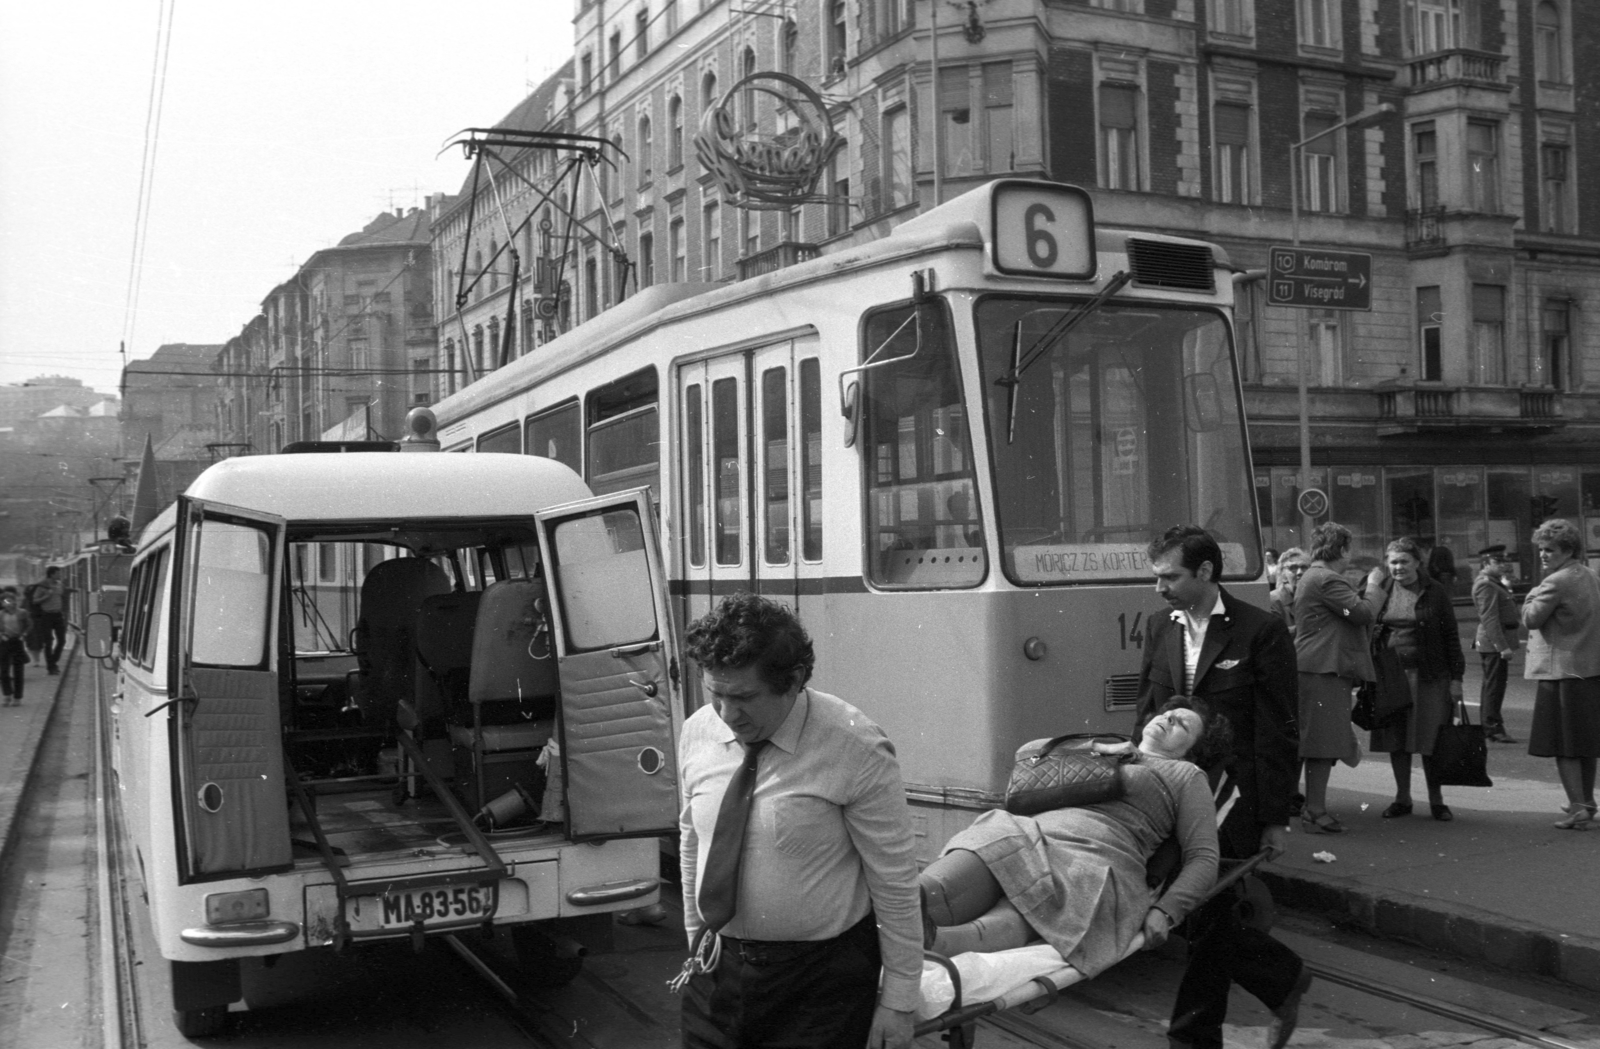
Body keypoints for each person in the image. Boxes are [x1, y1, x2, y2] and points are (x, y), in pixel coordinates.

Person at [675, 592, 920, 1049]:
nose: (728, 716)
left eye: (744, 697)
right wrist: (697, 941)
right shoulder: (697, 731)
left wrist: (899, 1000)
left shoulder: (855, 746)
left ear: (794, 681)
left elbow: (895, 880)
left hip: (819, 988)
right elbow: (693, 842)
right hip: (717, 972)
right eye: (716, 695)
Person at [1134, 526, 1310, 1049]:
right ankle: (1281, 976)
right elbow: (1146, 712)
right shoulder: (1158, 626)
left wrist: (1276, 816)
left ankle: (1194, 1036)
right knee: (1200, 908)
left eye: (1170, 576)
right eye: (1157, 577)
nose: (1160, 587)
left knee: (1207, 912)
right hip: (1171, 793)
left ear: (1206, 572)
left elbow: (1279, 729)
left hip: (1234, 797)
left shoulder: (1260, 630)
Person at [918, 697, 1230, 972]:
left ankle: (932, 944)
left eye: (1183, 726)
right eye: (1168, 713)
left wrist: (1166, 911)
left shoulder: (1187, 776)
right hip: (1033, 831)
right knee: (959, 867)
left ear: (1192, 753)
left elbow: (1204, 857)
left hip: (1098, 855)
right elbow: (1027, 753)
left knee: (1044, 899)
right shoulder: (1111, 747)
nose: (1169, 718)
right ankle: (900, 908)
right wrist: (1100, 747)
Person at [1364, 538, 1467, 821]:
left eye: (1404, 562)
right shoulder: (1380, 589)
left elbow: (1451, 638)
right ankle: (1402, 798)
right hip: (1391, 676)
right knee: (1397, 740)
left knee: (1431, 740)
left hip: (1430, 676)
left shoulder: (1435, 592)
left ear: (1418, 563)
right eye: (1393, 562)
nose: (1398, 567)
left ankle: (1437, 801)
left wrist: (1456, 679)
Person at [1293, 521, 1382, 833]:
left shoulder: (1313, 576)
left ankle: (1309, 806)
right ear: (1341, 549)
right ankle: (1314, 810)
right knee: (1322, 743)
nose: (1350, 556)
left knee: (1319, 741)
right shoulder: (1327, 579)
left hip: (1317, 668)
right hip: (1323, 670)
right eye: (1348, 550)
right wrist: (1373, 585)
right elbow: (1361, 613)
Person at [1519, 519, 1600, 830]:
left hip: (1560, 673)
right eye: (1541, 549)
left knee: (1564, 746)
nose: (1542, 555)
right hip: (1589, 671)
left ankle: (1577, 806)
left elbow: (1531, 619)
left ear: (1568, 550)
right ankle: (1587, 802)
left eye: (1549, 549)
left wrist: (1530, 595)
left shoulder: (1555, 581)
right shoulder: (1590, 576)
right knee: (1585, 744)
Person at [1473, 545, 1521, 743]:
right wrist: (1502, 647)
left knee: (1492, 685)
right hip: (1493, 644)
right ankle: (1493, 727)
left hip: (1495, 642)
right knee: (1494, 686)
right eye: (1497, 561)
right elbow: (1490, 619)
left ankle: (1490, 725)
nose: (1502, 564)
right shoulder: (1486, 585)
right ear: (1485, 564)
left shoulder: (1494, 583)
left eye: (1503, 561)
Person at [32, 567, 67, 675]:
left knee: (62, 640)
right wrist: (46, 596)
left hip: (58, 615)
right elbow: (35, 600)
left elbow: (62, 597)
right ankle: (51, 667)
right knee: (49, 642)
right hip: (46, 616)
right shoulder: (43, 586)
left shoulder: (60, 584)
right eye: (58, 574)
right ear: (51, 575)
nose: (60, 576)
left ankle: (52, 662)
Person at [0, 590, 31, 706]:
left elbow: (29, 625)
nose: (8, 603)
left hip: (17, 641)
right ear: (2, 603)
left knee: (18, 670)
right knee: (4, 671)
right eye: (5, 601)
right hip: (5, 642)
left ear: (14, 601)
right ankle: (7, 694)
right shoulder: (1, 614)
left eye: (10, 600)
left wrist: (24, 635)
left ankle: (17, 697)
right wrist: (2, 635)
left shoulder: (22, 612)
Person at [1269, 547, 1310, 631]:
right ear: (1283, 575)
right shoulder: (1274, 600)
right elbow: (1276, 633)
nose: (1299, 572)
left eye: (1304, 567)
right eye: (1293, 568)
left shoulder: (1313, 597)